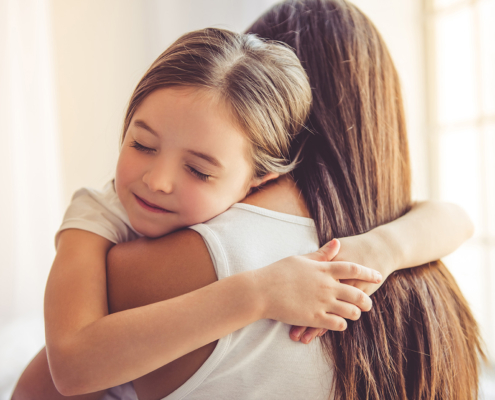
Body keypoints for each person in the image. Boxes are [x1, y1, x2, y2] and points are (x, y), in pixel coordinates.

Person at [12, 2, 479, 400]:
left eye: (199, 168)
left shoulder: (368, 243)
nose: (157, 181)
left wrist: (377, 251)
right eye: (141, 144)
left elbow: (458, 217)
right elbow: (65, 369)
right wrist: (258, 292)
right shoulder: (99, 215)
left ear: (262, 175)